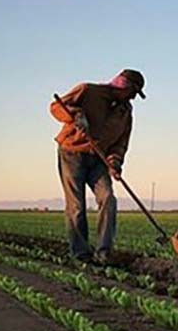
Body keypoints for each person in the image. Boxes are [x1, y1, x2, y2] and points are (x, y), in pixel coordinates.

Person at [49, 69, 146, 263]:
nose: (133, 98)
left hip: (99, 160)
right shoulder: (88, 91)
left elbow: (121, 142)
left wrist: (115, 162)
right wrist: (76, 116)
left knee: (108, 199)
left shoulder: (125, 112)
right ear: (122, 85)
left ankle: (103, 252)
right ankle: (81, 254)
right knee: (76, 206)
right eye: (133, 92)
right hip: (72, 153)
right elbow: (56, 107)